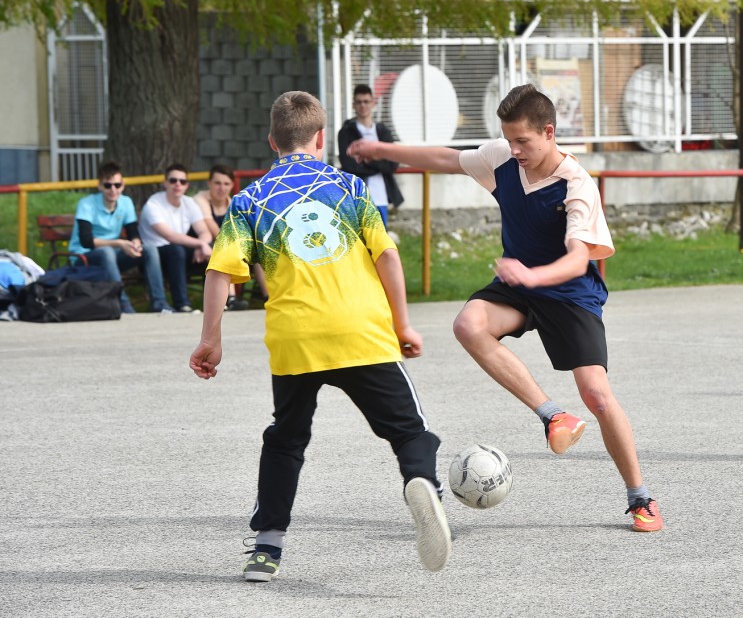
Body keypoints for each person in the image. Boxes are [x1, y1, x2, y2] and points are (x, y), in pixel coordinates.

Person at [349, 84, 664, 533]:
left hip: (569, 292)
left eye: (523, 141)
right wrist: (381, 149)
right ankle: (553, 415)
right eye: (509, 139)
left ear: (549, 132)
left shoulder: (576, 184)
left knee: (596, 394)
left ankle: (640, 497)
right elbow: (445, 158)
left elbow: (578, 258)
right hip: (519, 284)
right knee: (468, 325)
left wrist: (533, 277)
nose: (514, 149)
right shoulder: (502, 158)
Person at [189, 90, 451, 581]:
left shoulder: (249, 200)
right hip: (360, 331)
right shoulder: (351, 188)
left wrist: (211, 339)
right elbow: (387, 257)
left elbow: (220, 272)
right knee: (409, 432)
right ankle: (423, 485)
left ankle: (266, 549)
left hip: (296, 338)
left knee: (285, 440)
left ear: (272, 140)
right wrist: (402, 324)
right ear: (321, 137)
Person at [67, 161, 169, 313]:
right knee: (107, 251)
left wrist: (135, 244)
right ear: (100, 186)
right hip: (83, 257)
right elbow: (86, 241)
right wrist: (119, 243)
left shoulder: (126, 202)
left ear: (123, 185)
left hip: (111, 257)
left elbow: (133, 232)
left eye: (117, 185)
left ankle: (159, 303)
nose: (113, 190)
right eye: (108, 185)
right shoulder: (86, 204)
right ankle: (123, 304)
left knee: (149, 249)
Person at [138, 164, 212, 313]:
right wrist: (200, 243)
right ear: (165, 183)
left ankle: (215, 304)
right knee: (176, 251)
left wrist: (201, 245)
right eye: (173, 180)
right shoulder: (153, 204)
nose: (178, 184)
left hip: (179, 253)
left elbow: (205, 231)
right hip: (154, 257)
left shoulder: (189, 203)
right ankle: (182, 304)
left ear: (187, 185)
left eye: (182, 181)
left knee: (211, 251)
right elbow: (169, 236)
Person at [193, 164, 269, 309]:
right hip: (202, 247)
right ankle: (231, 298)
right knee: (226, 250)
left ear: (232, 185)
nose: (222, 188)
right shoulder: (200, 199)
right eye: (217, 183)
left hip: (226, 243)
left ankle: (269, 298)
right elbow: (214, 230)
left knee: (258, 250)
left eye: (226, 184)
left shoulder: (232, 202)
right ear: (209, 183)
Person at [337, 84, 404, 228]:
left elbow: (393, 164)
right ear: (353, 105)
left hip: (381, 197)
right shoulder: (346, 132)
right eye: (359, 102)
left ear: (373, 103)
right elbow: (348, 165)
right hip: (356, 198)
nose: (363, 105)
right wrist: (378, 162)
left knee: (381, 239)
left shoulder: (383, 132)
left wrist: (366, 160)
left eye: (366, 101)